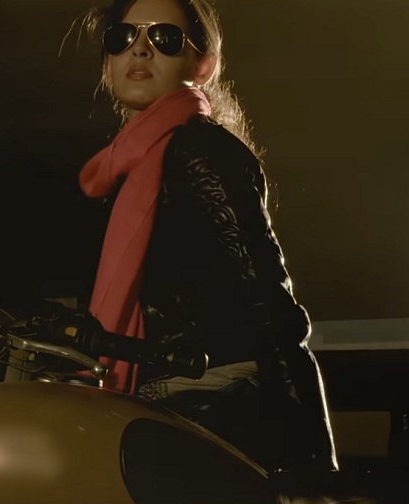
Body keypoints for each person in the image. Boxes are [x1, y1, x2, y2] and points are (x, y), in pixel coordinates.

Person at [52, 0, 341, 477]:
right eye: (122, 38)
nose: (139, 49)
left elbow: (272, 305)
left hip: (207, 392)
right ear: (107, 64)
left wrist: (314, 467)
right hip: (160, 386)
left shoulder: (201, 150)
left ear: (202, 65)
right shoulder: (124, 172)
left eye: (164, 38)